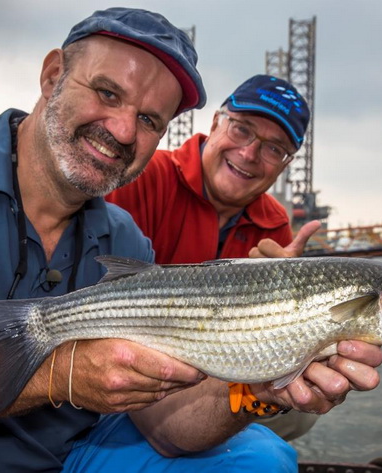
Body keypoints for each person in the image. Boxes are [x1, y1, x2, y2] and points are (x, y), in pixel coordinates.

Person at [0, 8, 382, 473]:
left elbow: (165, 426)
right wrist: (57, 373)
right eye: (108, 93)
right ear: (52, 76)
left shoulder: (125, 237)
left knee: (263, 459)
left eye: (151, 120)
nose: (124, 129)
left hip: (76, 448)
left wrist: (258, 388)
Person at [103, 74, 342, 441]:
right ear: (215, 123)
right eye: (242, 129)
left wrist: (286, 316)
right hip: (119, 361)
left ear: (285, 164)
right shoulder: (144, 177)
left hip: (206, 382)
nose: (249, 154)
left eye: (274, 149)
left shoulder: (275, 226)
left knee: (302, 406)